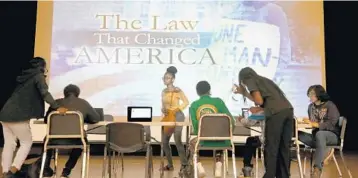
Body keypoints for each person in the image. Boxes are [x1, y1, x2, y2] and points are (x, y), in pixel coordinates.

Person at [0, 57, 66, 178]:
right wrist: (57, 107)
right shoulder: (38, 76)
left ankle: (5, 171)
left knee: (9, 144)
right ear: (42, 66)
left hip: (5, 113)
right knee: (26, 142)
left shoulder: (25, 77)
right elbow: (45, 93)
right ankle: (13, 170)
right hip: (18, 116)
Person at [234, 67, 293, 178]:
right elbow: (267, 100)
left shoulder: (250, 80)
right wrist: (263, 108)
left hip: (275, 113)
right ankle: (284, 175)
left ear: (243, 78)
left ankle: (269, 175)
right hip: (288, 110)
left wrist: (245, 93)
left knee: (271, 146)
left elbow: (259, 100)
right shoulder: (265, 80)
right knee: (284, 147)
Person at [42, 84, 101, 178]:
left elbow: (46, 120)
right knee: (83, 141)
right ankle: (66, 171)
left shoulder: (56, 103)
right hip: (76, 139)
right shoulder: (84, 103)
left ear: (64, 93)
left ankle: (45, 169)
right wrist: (83, 119)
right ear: (78, 93)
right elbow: (95, 119)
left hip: (54, 139)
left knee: (46, 140)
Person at [189, 81, 236, 178]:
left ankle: (199, 166)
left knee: (191, 143)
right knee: (219, 139)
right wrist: (228, 135)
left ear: (197, 92)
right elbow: (232, 121)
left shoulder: (194, 105)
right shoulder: (219, 101)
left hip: (202, 141)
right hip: (222, 141)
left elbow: (195, 127)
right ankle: (218, 165)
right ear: (209, 90)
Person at [298, 85, 340, 178]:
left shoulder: (329, 105)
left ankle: (317, 170)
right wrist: (305, 122)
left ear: (319, 94)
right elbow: (312, 123)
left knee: (320, 134)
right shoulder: (310, 107)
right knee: (294, 133)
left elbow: (332, 124)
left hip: (331, 136)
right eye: (309, 94)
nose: (310, 96)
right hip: (316, 137)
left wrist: (315, 124)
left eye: (312, 94)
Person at [161, 66, 189, 171]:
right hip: (168, 116)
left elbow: (186, 102)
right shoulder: (163, 91)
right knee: (165, 141)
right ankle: (170, 165)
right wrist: (163, 110)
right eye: (164, 78)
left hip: (178, 116)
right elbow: (163, 105)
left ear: (173, 79)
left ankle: (184, 165)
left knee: (177, 140)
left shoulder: (178, 90)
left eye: (168, 78)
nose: (165, 80)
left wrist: (178, 109)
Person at [237, 113, 265, 177]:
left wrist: (241, 119)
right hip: (281, 140)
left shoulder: (262, 112)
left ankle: (247, 167)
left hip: (266, 140)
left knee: (250, 140)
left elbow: (248, 123)